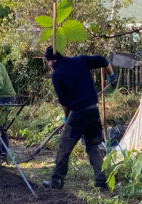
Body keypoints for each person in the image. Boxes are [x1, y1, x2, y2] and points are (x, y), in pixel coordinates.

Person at [42, 45, 113, 191]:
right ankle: (102, 182)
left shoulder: (57, 75)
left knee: (65, 147)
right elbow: (102, 59)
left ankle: (56, 182)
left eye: (48, 62)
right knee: (93, 146)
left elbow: (65, 102)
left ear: (51, 61)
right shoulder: (80, 60)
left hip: (78, 113)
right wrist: (111, 74)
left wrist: (67, 118)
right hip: (93, 110)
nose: (49, 65)